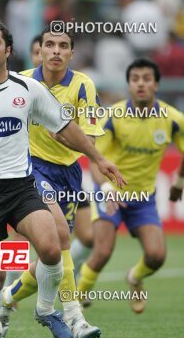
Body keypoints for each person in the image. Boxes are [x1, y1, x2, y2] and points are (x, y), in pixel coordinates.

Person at [0, 21, 125, 338]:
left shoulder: (32, 89)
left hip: (27, 183)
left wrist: (98, 158)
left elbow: (66, 127)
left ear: (8, 49)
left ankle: (53, 310)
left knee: (55, 245)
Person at [1, 26, 110, 338]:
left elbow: (88, 139)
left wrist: (63, 133)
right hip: (29, 169)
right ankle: (74, 316)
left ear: (71, 53)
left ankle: (8, 298)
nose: (56, 51)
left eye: (64, 46)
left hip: (69, 174)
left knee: (51, 253)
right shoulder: (21, 82)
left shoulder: (83, 85)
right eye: (50, 45)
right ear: (40, 50)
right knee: (53, 234)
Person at [77, 58, 184, 313]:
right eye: (135, 79)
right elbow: (94, 159)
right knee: (102, 251)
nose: (141, 84)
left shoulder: (172, 119)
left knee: (157, 257)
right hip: (109, 193)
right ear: (128, 85)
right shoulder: (113, 117)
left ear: (156, 85)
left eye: (146, 79)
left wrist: (179, 181)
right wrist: (106, 189)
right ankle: (76, 301)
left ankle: (134, 278)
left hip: (144, 198)